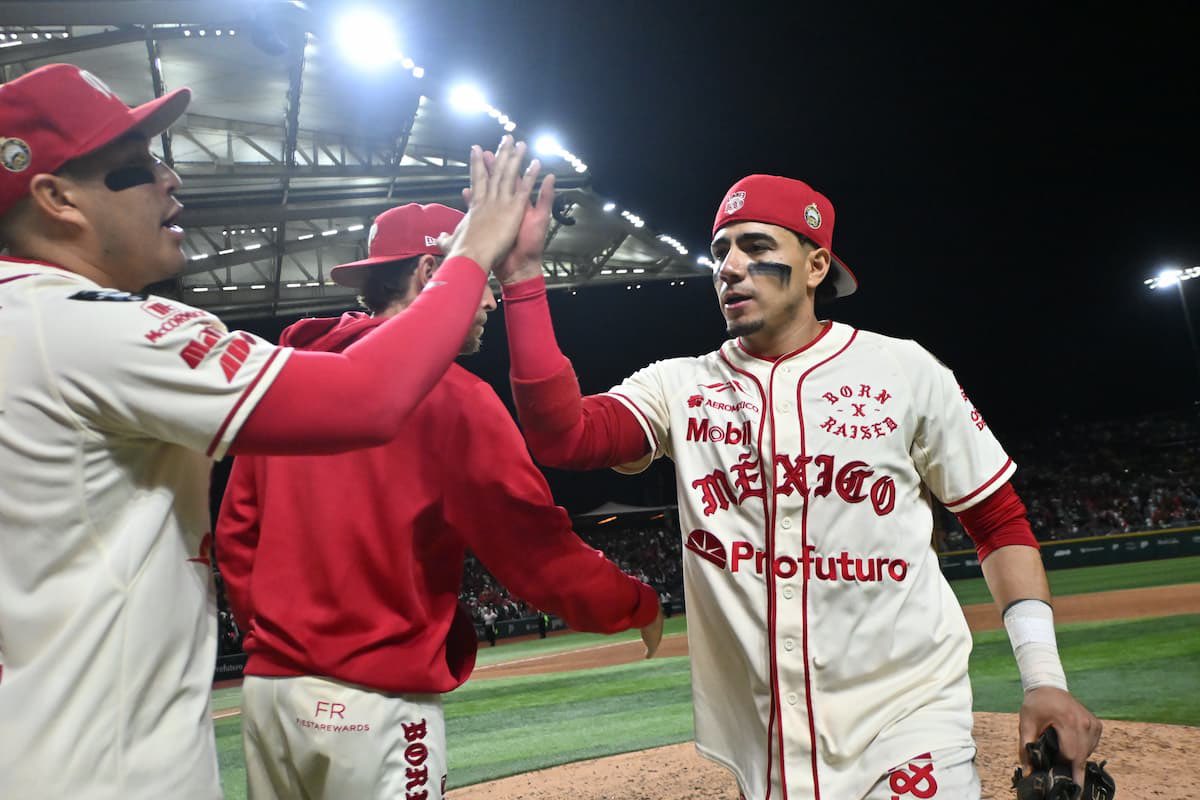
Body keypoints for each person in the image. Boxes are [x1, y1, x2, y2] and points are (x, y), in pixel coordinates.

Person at [0, 63, 536, 800]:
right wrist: (473, 251)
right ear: (56, 198)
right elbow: (364, 399)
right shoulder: (83, 326)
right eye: (134, 167)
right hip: (102, 771)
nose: (169, 180)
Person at [497, 173, 1103, 799]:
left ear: (816, 266)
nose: (730, 266)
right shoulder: (678, 387)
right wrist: (520, 279)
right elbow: (562, 436)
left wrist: (1043, 678)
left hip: (911, 721)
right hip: (769, 743)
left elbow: (997, 522)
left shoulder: (904, 370)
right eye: (721, 251)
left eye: (756, 247)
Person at [214, 192, 663, 800]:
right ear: (433, 273)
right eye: (482, 277)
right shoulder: (454, 397)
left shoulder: (291, 376)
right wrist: (631, 602)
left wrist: (273, 643)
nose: (491, 299)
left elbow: (238, 532)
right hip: (373, 702)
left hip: (269, 697)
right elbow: (533, 548)